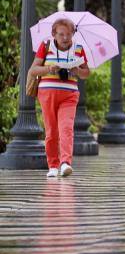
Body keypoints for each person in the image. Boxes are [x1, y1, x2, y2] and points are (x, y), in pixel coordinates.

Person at [29, 18, 90, 178]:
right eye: (61, 34)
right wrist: (49, 68)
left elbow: (86, 73)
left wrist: (77, 70)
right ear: (54, 34)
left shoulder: (78, 49)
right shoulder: (45, 46)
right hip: (47, 94)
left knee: (66, 129)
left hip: (69, 95)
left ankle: (65, 163)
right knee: (51, 132)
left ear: (73, 34)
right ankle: (53, 165)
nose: (65, 38)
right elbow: (34, 70)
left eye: (68, 34)